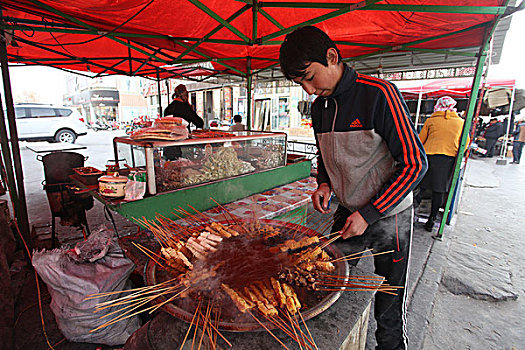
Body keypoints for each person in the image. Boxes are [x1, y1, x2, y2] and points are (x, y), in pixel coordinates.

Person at [279, 26, 427, 350]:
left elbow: (416, 163)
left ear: (332, 57)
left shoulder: (378, 94)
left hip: (391, 216)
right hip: (348, 213)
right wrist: (323, 182)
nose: (307, 90)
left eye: (309, 77)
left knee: (389, 300)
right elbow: (326, 153)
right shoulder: (319, 108)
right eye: (299, 83)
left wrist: (371, 213)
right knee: (329, 282)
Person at [418, 96, 467, 232]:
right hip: (448, 160)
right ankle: (431, 219)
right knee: (438, 191)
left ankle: (410, 215)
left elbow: (420, 140)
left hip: (429, 158)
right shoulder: (460, 122)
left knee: (420, 187)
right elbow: (465, 142)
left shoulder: (432, 120)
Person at [162, 84, 204, 160]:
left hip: (168, 145)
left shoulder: (168, 108)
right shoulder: (185, 108)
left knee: (170, 169)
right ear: (185, 94)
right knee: (184, 169)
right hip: (183, 146)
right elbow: (200, 123)